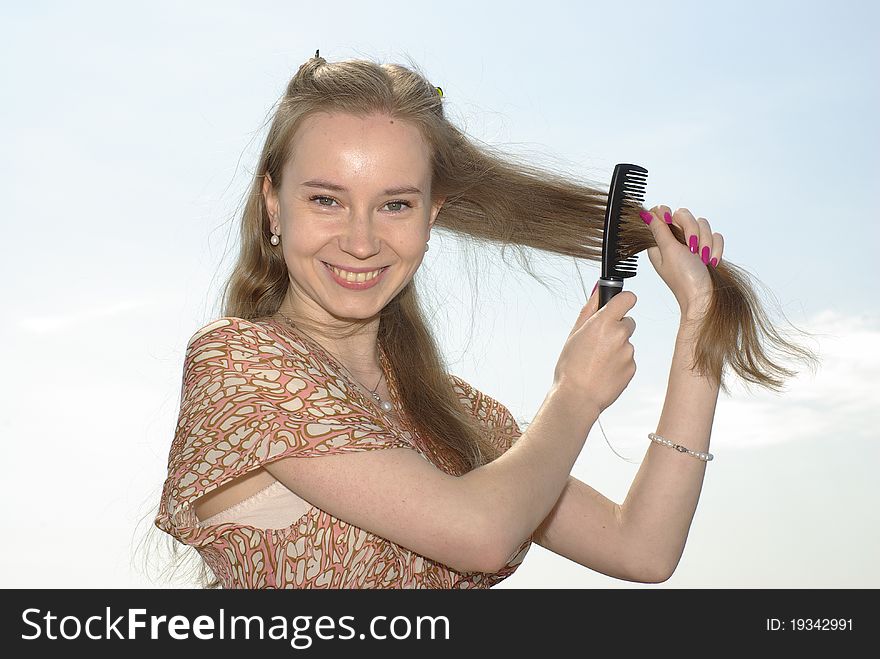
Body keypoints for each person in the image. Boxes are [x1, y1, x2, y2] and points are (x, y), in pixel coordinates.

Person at [153, 52, 817, 589]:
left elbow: (641, 547)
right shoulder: (237, 362)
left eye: (394, 204)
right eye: (327, 198)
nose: (360, 241)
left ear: (432, 212)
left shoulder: (449, 412)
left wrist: (700, 326)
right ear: (274, 203)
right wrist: (576, 393)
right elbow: (481, 532)